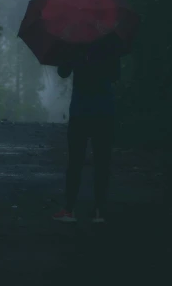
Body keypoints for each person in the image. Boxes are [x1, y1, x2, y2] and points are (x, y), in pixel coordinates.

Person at [52, 34, 122, 224]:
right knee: (102, 161)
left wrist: (71, 52)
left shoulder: (74, 41)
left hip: (81, 110)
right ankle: (99, 210)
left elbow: (63, 72)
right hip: (104, 110)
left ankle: (69, 209)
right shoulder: (111, 41)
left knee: (75, 161)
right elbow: (116, 74)